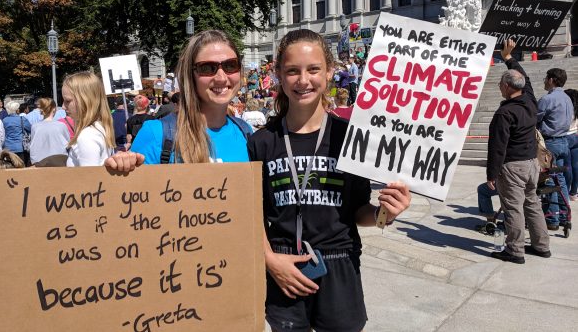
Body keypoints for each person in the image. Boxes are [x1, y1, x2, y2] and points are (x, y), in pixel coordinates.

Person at [248, 29, 411, 331]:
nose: (303, 80)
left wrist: (383, 213)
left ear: (330, 72)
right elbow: (252, 214)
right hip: (283, 265)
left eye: (313, 69)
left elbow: (359, 210)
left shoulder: (350, 137)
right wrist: (270, 260)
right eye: (292, 71)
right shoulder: (261, 142)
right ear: (279, 75)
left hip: (340, 263)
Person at [105, 29, 252, 170]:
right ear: (189, 75)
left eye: (230, 65)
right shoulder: (155, 133)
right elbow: (132, 193)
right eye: (207, 68)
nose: (221, 77)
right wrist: (121, 167)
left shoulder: (245, 132)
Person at [487, 39, 550, 264]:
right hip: (532, 163)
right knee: (532, 203)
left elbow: (497, 146)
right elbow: (526, 79)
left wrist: (492, 174)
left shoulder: (505, 113)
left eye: (501, 84)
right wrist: (508, 59)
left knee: (513, 208)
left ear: (507, 86)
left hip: (513, 166)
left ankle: (514, 250)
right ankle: (542, 245)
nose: (499, 88)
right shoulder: (530, 101)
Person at [537, 67, 574, 229]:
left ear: (551, 80)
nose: (544, 81)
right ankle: (565, 215)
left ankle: (552, 219)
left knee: (549, 180)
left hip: (550, 142)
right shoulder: (567, 98)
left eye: (546, 78)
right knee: (561, 181)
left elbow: (534, 119)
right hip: (563, 141)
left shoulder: (548, 99)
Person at [61, 71, 115, 167]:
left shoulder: (87, 136)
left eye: (67, 101)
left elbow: (89, 179)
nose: (63, 107)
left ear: (85, 100)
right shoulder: (99, 128)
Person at [29, 97, 70, 164]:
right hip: (59, 162)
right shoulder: (61, 125)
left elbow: (34, 145)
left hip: (40, 163)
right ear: (54, 109)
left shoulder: (35, 126)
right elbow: (67, 144)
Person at [2, 101, 32, 165]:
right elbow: (30, 129)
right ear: (16, 110)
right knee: (21, 165)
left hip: (8, 147)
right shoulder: (22, 119)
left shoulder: (4, 120)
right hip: (20, 146)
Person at [564, 88, 578, 201]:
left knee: (567, 166)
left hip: (566, 137)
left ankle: (565, 190)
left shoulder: (566, 109)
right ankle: (573, 192)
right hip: (575, 136)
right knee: (575, 166)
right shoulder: (576, 109)